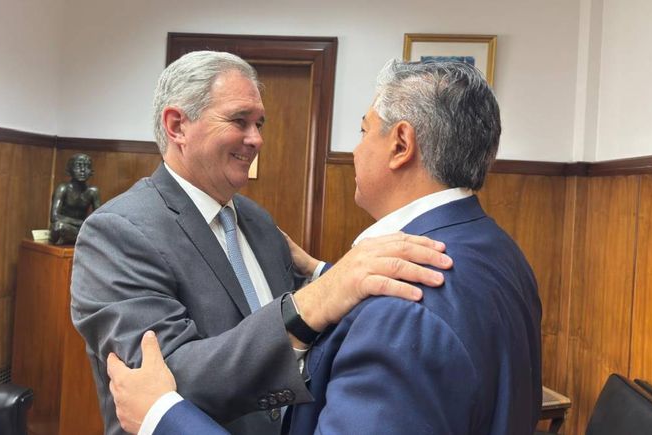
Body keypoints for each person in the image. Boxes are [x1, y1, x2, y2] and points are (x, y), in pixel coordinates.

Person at [106, 60, 543, 435]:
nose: (257, 139)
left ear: (401, 144)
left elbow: (410, 324)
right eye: (240, 121)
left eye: (363, 130)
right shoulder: (498, 252)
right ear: (177, 125)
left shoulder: (402, 310)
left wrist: (161, 417)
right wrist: (324, 274)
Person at [49, 153, 101, 245]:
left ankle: (74, 238)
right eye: (78, 166)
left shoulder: (93, 191)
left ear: (91, 171)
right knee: (58, 227)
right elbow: (54, 217)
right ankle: (79, 238)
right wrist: (82, 222)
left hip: (82, 229)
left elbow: (98, 220)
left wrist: (86, 225)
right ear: (69, 170)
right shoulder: (63, 189)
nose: (82, 170)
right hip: (68, 227)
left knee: (98, 233)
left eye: (86, 166)